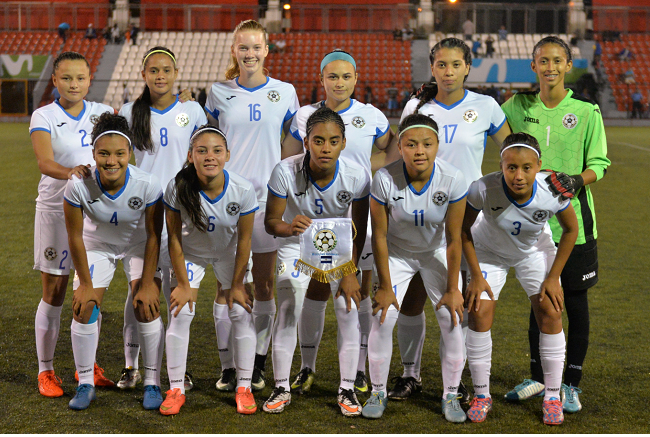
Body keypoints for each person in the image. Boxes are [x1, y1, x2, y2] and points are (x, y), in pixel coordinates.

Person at [392, 37, 510, 403]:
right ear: (432, 68)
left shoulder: (486, 106)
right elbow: (404, 150)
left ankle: (453, 380)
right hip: (418, 213)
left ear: (467, 67)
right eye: (441, 65)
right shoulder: (417, 105)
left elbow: (509, 151)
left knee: (453, 301)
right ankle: (410, 374)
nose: (448, 72)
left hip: (464, 218)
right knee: (411, 300)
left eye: (455, 65)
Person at [501, 35, 610, 415]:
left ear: (567, 65)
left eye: (556, 61)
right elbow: (482, 119)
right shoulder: (517, 105)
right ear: (533, 66)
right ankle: (538, 377)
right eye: (542, 61)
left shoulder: (586, 111)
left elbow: (599, 163)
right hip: (531, 225)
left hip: (574, 222)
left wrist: (578, 180)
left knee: (574, 302)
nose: (549, 67)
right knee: (540, 300)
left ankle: (571, 384)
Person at [281, 49, 398, 396]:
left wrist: (377, 177)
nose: (340, 82)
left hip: (357, 217)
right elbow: (289, 157)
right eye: (333, 76)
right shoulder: (304, 116)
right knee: (316, 290)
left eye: (346, 76)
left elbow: (391, 149)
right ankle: (307, 366)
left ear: (356, 79)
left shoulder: (371, 115)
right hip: (317, 219)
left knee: (358, 292)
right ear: (321, 80)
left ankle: (359, 370)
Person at [205, 19, 300, 393]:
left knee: (263, 285)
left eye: (255, 48)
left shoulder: (285, 92)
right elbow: (207, 142)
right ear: (234, 50)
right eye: (243, 48)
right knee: (226, 287)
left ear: (266, 49)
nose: (249, 54)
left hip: (266, 204)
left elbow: (295, 139)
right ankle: (229, 366)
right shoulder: (217, 92)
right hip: (224, 201)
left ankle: (257, 363)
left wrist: (283, 176)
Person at [461, 133, 579, 425]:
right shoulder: (482, 188)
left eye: (527, 167)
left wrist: (553, 277)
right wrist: (475, 275)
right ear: (500, 164)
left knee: (551, 310)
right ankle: (481, 394)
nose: (518, 175)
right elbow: (463, 231)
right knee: (478, 312)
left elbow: (570, 230)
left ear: (539, 166)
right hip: (488, 252)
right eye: (511, 167)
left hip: (533, 252)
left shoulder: (551, 191)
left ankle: (552, 396)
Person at [262, 107, 370, 416]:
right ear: (306, 141)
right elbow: (271, 222)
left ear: (343, 143)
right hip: (295, 244)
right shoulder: (285, 170)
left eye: (333, 141)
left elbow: (358, 229)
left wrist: (350, 270)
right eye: (318, 140)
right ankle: (281, 385)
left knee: (347, 307)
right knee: (286, 305)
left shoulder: (357, 175)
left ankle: (347, 388)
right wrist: (287, 226)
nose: (325, 148)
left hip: (339, 248)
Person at [363, 113, 469, 422]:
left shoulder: (452, 178)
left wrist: (452, 289)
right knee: (383, 317)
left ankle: (451, 395)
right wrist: (384, 286)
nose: (419, 150)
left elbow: (453, 239)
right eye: (411, 144)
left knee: (451, 318)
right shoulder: (384, 178)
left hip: (435, 252)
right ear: (400, 145)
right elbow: (379, 235)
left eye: (427, 144)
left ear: (438, 145)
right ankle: (378, 390)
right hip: (396, 254)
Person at [118, 46, 207, 391]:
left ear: (176, 73)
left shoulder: (191, 111)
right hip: (142, 212)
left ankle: (174, 369)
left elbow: (201, 152)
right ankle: (131, 365)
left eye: (166, 70)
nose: (160, 75)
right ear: (143, 75)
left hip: (182, 212)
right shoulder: (129, 112)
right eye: (153, 70)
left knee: (175, 292)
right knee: (140, 291)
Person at [63, 113, 164, 410]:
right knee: (84, 306)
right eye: (103, 154)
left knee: (146, 304)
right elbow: (75, 237)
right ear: (93, 154)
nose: (111, 161)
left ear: (130, 153)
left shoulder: (147, 184)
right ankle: (85, 383)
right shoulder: (78, 185)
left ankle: (152, 382)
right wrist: (85, 285)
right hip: (98, 246)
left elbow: (154, 236)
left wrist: (146, 284)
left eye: (120, 153)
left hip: (138, 245)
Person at [30, 51, 115, 399]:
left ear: (89, 79)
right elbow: (44, 161)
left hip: (92, 213)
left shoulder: (101, 113)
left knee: (90, 293)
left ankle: (88, 366)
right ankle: (46, 370)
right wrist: (71, 174)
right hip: (54, 210)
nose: (74, 84)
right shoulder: (44, 115)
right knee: (55, 293)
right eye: (67, 78)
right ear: (55, 81)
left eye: (80, 77)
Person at [161, 126, 259, 415]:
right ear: (191, 155)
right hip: (190, 255)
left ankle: (244, 387)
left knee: (240, 310)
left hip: (229, 254)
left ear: (228, 155)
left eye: (217, 150)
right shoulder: (177, 187)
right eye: (201, 150)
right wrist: (181, 282)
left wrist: (238, 283)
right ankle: (176, 388)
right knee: (181, 311)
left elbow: (245, 241)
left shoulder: (242, 189)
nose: (209, 156)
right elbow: (174, 238)